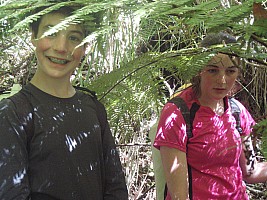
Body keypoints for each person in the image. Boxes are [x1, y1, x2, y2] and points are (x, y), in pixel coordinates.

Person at [0, 5, 128, 200]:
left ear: (85, 47)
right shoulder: (14, 112)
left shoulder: (93, 109)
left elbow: (116, 188)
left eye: (74, 38)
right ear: (33, 36)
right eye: (51, 33)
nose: (61, 47)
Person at [153, 32, 267, 200]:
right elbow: (179, 196)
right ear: (199, 69)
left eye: (230, 71)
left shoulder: (237, 111)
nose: (222, 80)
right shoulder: (178, 114)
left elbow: (250, 171)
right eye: (213, 70)